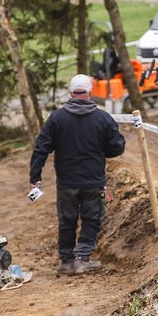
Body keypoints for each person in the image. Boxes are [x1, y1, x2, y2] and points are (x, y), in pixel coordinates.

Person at [29, 74, 126, 275]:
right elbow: (117, 147)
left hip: (66, 181)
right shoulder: (103, 118)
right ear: (90, 93)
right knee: (92, 218)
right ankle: (82, 258)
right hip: (93, 180)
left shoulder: (57, 118)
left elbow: (41, 148)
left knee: (67, 219)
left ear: (71, 93)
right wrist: (102, 150)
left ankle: (66, 261)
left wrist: (35, 177)